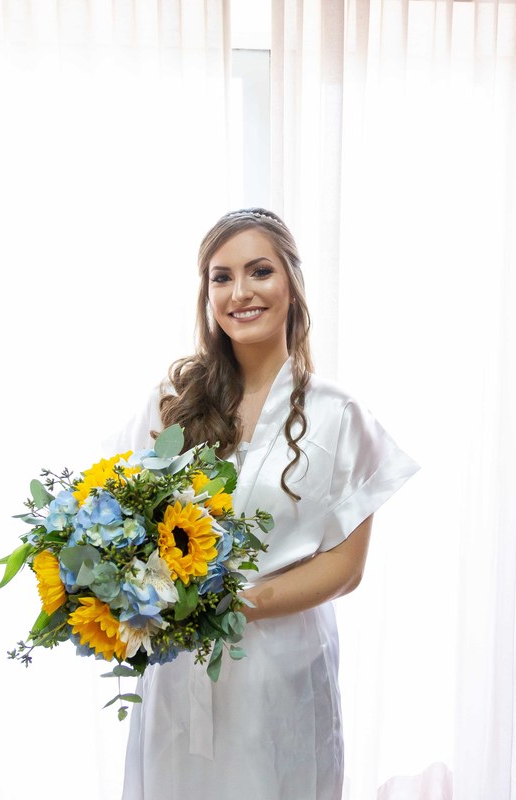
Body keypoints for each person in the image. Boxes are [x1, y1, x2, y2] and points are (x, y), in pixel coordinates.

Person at [111, 208, 420, 799]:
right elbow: (120, 513)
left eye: (259, 271)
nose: (240, 293)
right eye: (221, 277)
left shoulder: (337, 415)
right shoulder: (170, 403)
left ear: (292, 284)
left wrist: (230, 606)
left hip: (281, 669)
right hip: (179, 671)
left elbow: (346, 567)